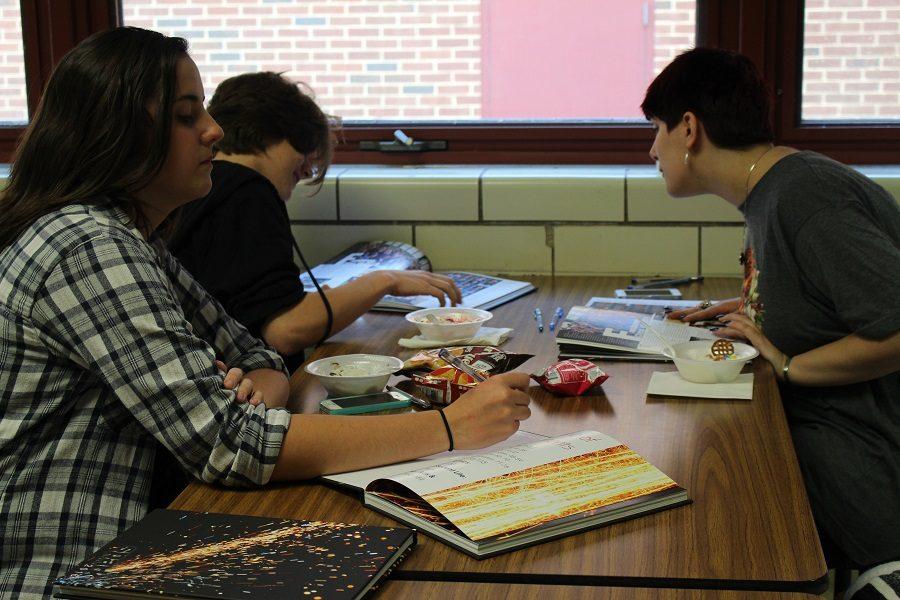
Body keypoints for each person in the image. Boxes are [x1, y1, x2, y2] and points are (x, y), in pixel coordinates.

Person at [0, 27, 530, 598]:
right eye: (187, 116)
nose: (213, 130)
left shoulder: (129, 238)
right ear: (118, 134)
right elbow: (234, 444)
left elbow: (257, 352)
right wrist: (449, 427)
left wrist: (254, 384)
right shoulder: (88, 247)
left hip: (138, 542)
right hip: (65, 570)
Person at [641, 47, 900, 584]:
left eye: (656, 129)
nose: (651, 149)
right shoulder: (772, 188)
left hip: (868, 490)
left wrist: (788, 365)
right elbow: (833, 296)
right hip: (821, 457)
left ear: (689, 129)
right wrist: (751, 304)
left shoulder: (804, 195)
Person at [167, 72, 461, 373]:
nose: (307, 169)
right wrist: (383, 280)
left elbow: (250, 307)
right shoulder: (247, 192)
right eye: (305, 147)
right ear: (272, 133)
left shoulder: (209, 187)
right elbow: (285, 330)